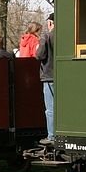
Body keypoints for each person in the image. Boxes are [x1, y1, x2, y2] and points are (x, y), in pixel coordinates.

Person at [35, 13, 55, 144]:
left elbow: (40, 55)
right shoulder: (69, 35)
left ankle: (52, 135)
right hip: (65, 76)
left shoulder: (46, 36)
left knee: (50, 109)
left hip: (49, 76)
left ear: (50, 23)